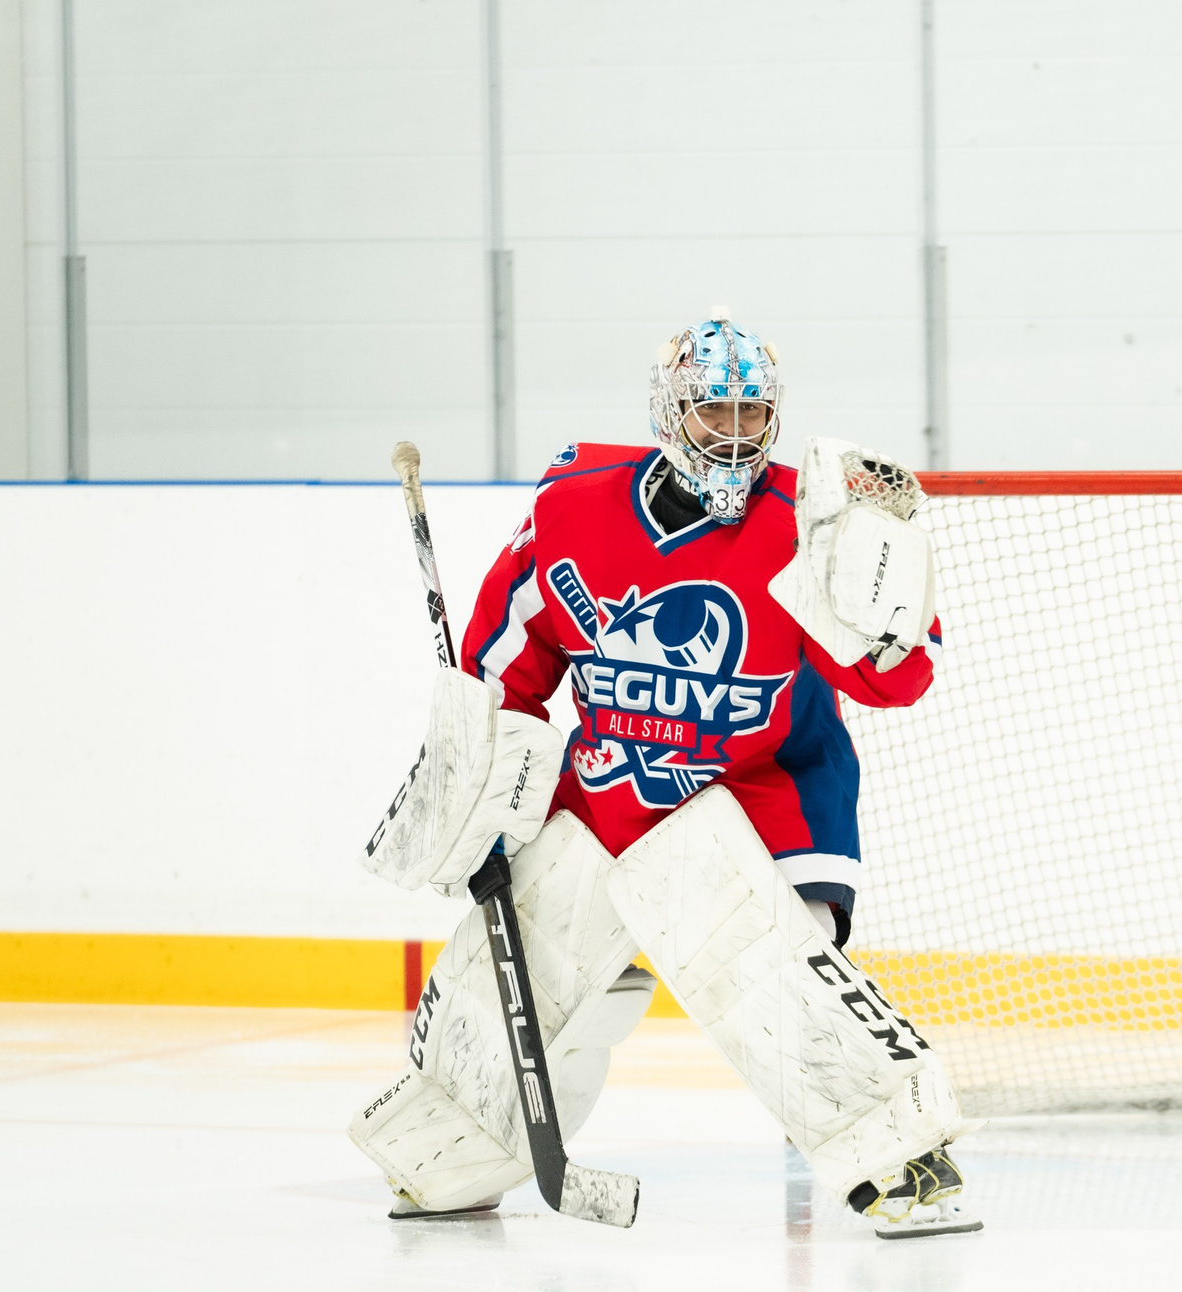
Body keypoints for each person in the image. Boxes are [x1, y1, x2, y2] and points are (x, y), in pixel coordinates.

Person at [346, 311, 976, 1238]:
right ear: (666, 411)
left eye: (750, 414)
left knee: (765, 966)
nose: (731, 434)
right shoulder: (576, 508)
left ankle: (903, 1157)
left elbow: (898, 681)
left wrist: (883, 604)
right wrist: (481, 789)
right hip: (612, 793)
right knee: (511, 973)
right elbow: (505, 665)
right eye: (710, 410)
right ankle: (455, 1155)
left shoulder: (804, 527)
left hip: (768, 796)